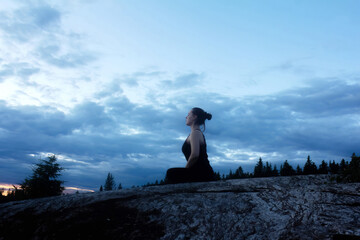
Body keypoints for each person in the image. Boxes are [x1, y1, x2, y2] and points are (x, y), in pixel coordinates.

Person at [165, 107, 215, 184]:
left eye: (188, 114)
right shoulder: (194, 133)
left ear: (195, 117)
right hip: (198, 172)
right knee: (171, 173)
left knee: (171, 173)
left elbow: (195, 155)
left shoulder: (195, 133)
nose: (186, 117)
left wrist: (186, 169)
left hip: (203, 173)